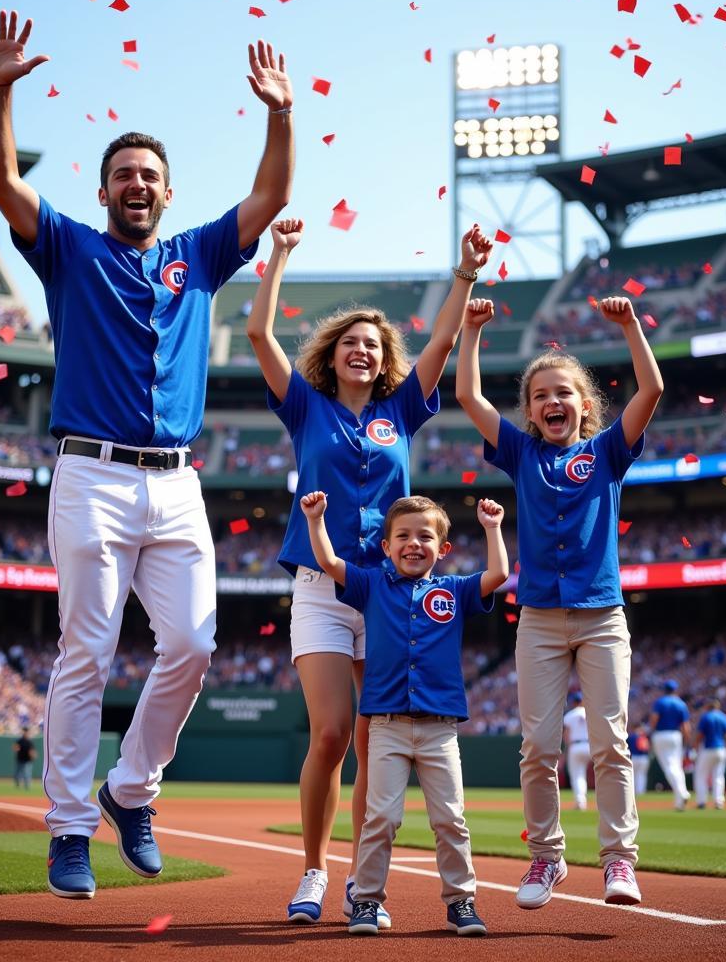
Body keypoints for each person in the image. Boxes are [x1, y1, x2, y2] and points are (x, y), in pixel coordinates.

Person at [0, 11, 294, 900]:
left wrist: (280, 112)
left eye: (150, 176)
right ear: (105, 188)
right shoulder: (72, 249)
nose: (138, 186)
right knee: (88, 649)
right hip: (91, 474)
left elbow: (266, 201)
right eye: (124, 176)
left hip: (176, 482)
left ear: (166, 187)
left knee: (193, 644)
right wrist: (0, 88)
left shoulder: (198, 255)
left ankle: (129, 791)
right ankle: (70, 828)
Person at [247, 217, 493, 924]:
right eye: (351, 341)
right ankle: (314, 871)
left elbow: (443, 342)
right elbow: (262, 336)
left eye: (373, 344)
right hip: (324, 588)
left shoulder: (401, 410)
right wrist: (281, 254)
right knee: (330, 733)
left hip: (390, 595)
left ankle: (363, 885)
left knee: (367, 738)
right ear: (334, 353)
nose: (362, 350)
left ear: (385, 359)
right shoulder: (306, 407)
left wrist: (464, 274)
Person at [456, 293, 663, 909]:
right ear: (530, 409)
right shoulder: (520, 452)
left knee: (611, 743)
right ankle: (546, 859)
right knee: (539, 747)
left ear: (585, 405)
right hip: (540, 621)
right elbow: (468, 396)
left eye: (564, 393)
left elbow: (650, 391)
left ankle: (620, 864)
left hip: (603, 616)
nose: (552, 402)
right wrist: (470, 331)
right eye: (541, 394)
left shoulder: (607, 452)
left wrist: (629, 327)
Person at [300, 491, 508, 937]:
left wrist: (492, 529)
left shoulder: (453, 590)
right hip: (387, 727)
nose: (414, 544)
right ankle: (367, 902)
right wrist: (316, 520)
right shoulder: (371, 584)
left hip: (440, 729)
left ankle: (461, 902)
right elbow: (331, 562)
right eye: (404, 536)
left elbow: (499, 573)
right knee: (381, 819)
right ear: (387, 547)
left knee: (450, 819)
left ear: (443, 549)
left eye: (425, 536)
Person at [649, 679, 692, 811]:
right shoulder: (681, 704)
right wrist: (687, 740)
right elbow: (686, 726)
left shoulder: (660, 702)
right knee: (676, 766)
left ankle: (682, 793)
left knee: (669, 767)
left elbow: (654, 720)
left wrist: (652, 734)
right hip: (676, 735)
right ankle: (680, 801)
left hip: (661, 735)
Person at [694, 699, 726, 810]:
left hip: (708, 749)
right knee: (719, 776)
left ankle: (701, 801)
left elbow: (700, 734)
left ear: (708, 706)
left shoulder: (706, 717)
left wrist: (695, 746)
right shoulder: (725, 717)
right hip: (721, 749)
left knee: (701, 775)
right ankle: (719, 802)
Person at [563, 691, 591, 811]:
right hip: (591, 745)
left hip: (576, 746)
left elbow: (567, 736)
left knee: (577, 775)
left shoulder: (570, 715)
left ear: (573, 702)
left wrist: (566, 751)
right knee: (603, 771)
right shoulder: (590, 713)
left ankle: (580, 802)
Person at [629, 721, 650, 796]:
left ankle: (633, 792)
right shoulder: (643, 737)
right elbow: (647, 748)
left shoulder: (631, 736)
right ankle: (641, 791)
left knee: (632, 776)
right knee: (642, 775)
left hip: (634, 757)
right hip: (644, 758)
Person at [14, 725, 36, 791]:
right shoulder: (20, 740)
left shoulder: (29, 741)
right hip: (20, 759)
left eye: (26, 731)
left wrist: (33, 756)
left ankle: (27, 786)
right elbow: (15, 747)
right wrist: (17, 748)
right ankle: (17, 784)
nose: (25, 733)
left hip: (27, 760)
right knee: (18, 773)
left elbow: (32, 750)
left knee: (27, 773)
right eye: (24, 731)